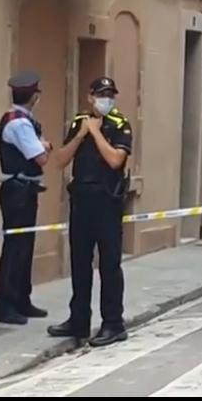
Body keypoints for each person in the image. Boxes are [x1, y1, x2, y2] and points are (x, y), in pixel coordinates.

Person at [47, 77, 133, 347]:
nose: (106, 100)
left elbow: (116, 160)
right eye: (101, 95)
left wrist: (96, 133)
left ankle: (113, 324)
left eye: (110, 95)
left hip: (107, 202)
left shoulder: (120, 124)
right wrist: (81, 134)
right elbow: (60, 160)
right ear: (90, 97)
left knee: (109, 264)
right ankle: (79, 320)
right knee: (80, 263)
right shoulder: (78, 122)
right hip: (81, 201)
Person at [0, 71, 52, 325]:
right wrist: (45, 145)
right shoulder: (19, 124)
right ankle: (4, 305)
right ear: (33, 97)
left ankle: (21, 300)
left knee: (25, 247)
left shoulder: (21, 120)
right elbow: (41, 158)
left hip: (24, 189)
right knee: (15, 248)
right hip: (17, 190)